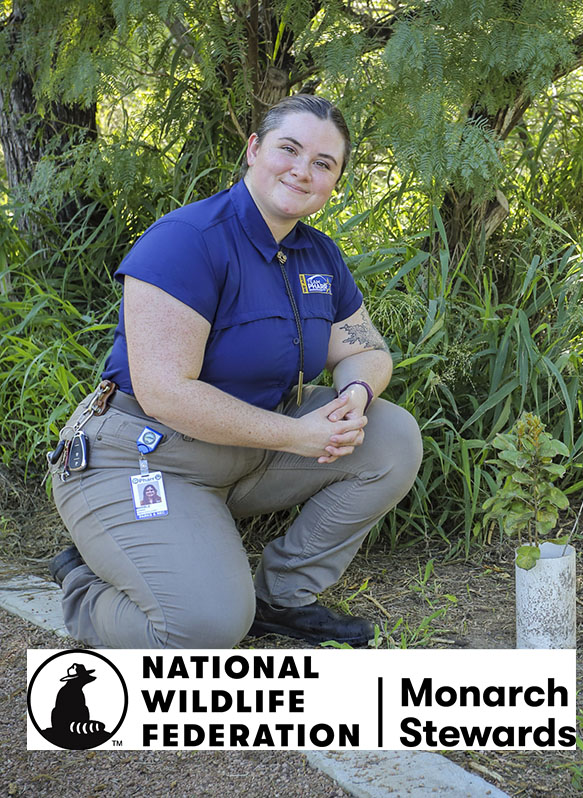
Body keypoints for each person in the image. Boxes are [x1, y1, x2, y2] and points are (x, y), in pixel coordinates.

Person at [47, 94, 423, 649]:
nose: (302, 170)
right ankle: (85, 579)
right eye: (288, 149)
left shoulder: (318, 255)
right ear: (253, 149)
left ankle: (283, 598)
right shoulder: (187, 240)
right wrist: (300, 433)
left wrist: (357, 392)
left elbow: (364, 347)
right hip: (143, 455)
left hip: (250, 448)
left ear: (336, 181)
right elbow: (164, 392)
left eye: (324, 163)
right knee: (206, 629)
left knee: (391, 435)